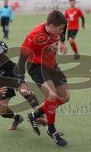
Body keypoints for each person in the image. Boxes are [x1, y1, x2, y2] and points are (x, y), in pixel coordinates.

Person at [16, 10, 69, 146]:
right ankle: (52, 130)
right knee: (52, 97)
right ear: (50, 26)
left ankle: (36, 114)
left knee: (65, 97)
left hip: (52, 65)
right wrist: (21, 82)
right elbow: (21, 60)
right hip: (37, 66)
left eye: (62, 28)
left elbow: (64, 29)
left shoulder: (59, 27)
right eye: (59, 29)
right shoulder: (34, 35)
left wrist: (62, 42)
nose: (61, 31)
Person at [0, 41, 44, 130]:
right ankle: (17, 118)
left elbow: (3, 44)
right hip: (0, 83)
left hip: (13, 72)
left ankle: (39, 115)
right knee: (2, 112)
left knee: (24, 91)